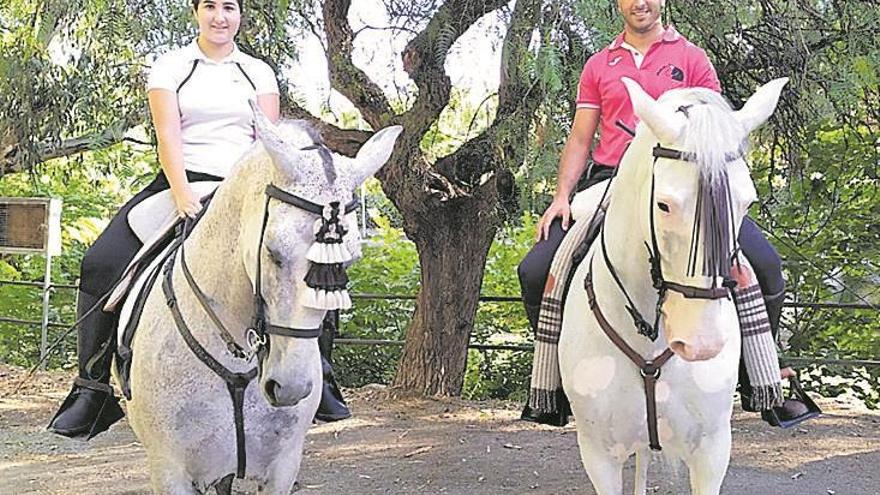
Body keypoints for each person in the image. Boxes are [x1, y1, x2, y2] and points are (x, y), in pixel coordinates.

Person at [49, 0, 348, 438]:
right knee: (100, 261)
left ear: (241, 15)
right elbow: (168, 135)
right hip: (179, 184)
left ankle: (320, 374)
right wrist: (182, 191)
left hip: (244, 189)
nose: (220, 16)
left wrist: (248, 197)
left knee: (309, 257)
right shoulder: (171, 67)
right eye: (210, 6)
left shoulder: (258, 72)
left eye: (229, 7)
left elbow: (266, 143)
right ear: (196, 12)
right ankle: (93, 390)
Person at [518, 0, 807, 427]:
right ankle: (557, 380)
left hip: (684, 184)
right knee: (536, 268)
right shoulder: (600, 64)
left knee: (765, 264)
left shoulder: (691, 58)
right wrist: (561, 196)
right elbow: (581, 138)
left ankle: (759, 375)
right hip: (614, 181)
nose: (641, 3)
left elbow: (714, 128)